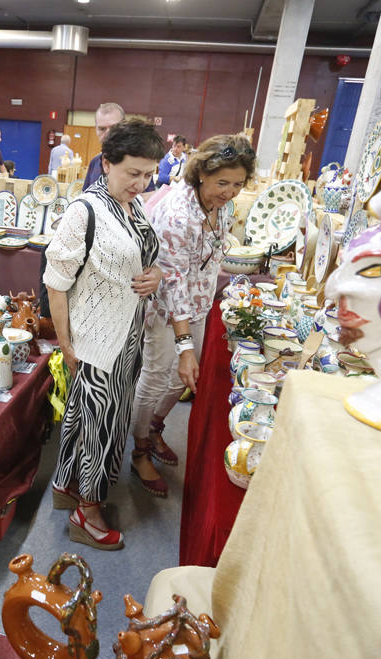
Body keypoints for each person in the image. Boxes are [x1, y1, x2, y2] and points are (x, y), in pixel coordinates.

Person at [43, 119, 166, 550]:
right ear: (107, 162)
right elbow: (55, 282)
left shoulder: (133, 206)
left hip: (126, 335)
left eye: (149, 173)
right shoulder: (85, 210)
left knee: (91, 417)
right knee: (102, 426)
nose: (142, 182)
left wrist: (155, 275)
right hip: (96, 341)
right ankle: (87, 514)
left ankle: (67, 486)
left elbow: (145, 258)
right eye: (133, 172)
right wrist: (66, 344)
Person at [130, 135, 256, 495]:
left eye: (237, 184)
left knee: (182, 378)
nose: (230, 192)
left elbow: (211, 257)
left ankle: (154, 429)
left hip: (198, 305)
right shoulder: (177, 214)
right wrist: (184, 347)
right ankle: (138, 452)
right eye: (222, 183)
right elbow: (173, 282)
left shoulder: (222, 208)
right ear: (201, 173)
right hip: (165, 309)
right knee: (156, 376)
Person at [83, 102, 125, 190]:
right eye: (102, 129)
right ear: (96, 129)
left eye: (114, 128)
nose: (108, 134)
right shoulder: (94, 163)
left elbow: (149, 199)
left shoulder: (137, 163)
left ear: (124, 127)